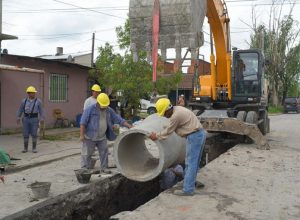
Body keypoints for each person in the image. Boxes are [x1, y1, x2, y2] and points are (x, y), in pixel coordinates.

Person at [149, 98, 206, 196]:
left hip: (194, 136)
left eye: (164, 113)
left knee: (190, 163)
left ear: (168, 109)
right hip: (199, 134)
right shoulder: (178, 109)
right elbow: (171, 127)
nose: (165, 116)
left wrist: (156, 136)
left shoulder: (176, 116)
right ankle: (191, 182)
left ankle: (188, 189)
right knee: (194, 162)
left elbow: (168, 132)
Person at [80, 93, 132, 174]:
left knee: (104, 152)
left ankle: (104, 168)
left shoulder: (108, 110)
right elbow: (83, 122)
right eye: (102, 106)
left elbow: (118, 119)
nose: (104, 108)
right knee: (87, 153)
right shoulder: (90, 110)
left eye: (105, 106)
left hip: (102, 136)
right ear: (98, 102)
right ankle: (84, 169)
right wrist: (82, 135)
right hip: (90, 136)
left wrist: (128, 125)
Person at [17, 86, 45, 153]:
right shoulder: (24, 101)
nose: (33, 94)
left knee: (34, 133)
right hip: (26, 119)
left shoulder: (38, 101)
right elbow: (20, 109)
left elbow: (41, 110)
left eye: (34, 93)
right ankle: (25, 148)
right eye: (31, 93)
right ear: (28, 93)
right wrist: (18, 117)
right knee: (25, 133)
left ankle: (34, 148)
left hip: (34, 119)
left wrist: (42, 118)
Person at [80, 84, 102, 167]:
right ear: (93, 92)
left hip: (97, 128)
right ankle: (83, 166)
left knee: (92, 149)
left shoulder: (99, 100)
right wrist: (83, 131)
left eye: (99, 92)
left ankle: (90, 165)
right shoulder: (88, 101)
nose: (98, 94)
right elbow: (85, 115)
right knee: (86, 148)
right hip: (89, 127)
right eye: (96, 92)